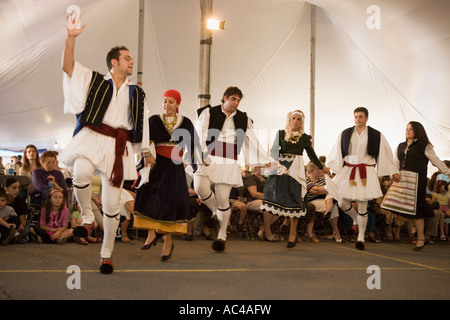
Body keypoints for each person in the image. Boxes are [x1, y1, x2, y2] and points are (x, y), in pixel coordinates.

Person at [59, 18, 150, 274]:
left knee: (111, 207)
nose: (132, 62)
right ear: (114, 62)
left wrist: (146, 153)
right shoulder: (95, 80)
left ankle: (106, 254)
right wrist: (71, 37)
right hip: (92, 135)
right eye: (128, 58)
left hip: (118, 146)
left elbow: (143, 125)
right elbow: (68, 67)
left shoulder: (138, 93)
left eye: (132, 59)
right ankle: (87, 216)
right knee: (80, 172)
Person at [194, 86, 274, 252]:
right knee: (199, 187)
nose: (236, 103)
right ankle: (215, 211)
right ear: (225, 98)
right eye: (233, 99)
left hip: (229, 159)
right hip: (209, 155)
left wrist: (264, 160)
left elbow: (253, 141)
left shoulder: (244, 119)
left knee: (224, 199)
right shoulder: (209, 112)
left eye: (238, 100)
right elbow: (199, 133)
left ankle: (222, 235)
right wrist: (201, 154)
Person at [134, 89, 199, 262]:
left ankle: (168, 242)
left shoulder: (186, 123)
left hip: (175, 167)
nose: (167, 105)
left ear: (178, 104)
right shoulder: (153, 120)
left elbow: (193, 144)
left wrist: (196, 164)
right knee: (147, 194)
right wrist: (147, 155)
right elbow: (145, 138)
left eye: (171, 102)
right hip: (156, 163)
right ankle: (151, 233)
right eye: (165, 101)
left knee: (171, 202)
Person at [327, 107, 400, 250]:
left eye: (361, 116)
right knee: (341, 202)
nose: (358, 119)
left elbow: (385, 154)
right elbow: (336, 151)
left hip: (366, 171)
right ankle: (354, 218)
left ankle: (360, 237)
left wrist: (392, 172)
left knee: (362, 205)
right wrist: (330, 166)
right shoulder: (345, 133)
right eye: (356, 116)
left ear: (366, 118)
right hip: (349, 170)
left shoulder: (376, 135)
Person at [262, 110, 328, 248]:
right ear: (289, 120)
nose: (295, 121)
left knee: (295, 200)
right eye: (293, 118)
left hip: (296, 169)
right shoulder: (281, 133)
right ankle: (265, 231)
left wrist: (321, 167)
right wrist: (278, 163)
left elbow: (312, 154)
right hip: (281, 168)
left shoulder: (304, 137)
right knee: (273, 199)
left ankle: (292, 234)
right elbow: (274, 150)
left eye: (299, 119)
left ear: (302, 122)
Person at [390, 121, 450, 250]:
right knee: (398, 205)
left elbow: (436, 161)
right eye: (406, 129)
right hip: (403, 179)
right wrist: (393, 173)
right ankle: (417, 232)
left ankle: (421, 237)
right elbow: (395, 161)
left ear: (417, 131)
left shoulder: (424, 145)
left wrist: (448, 172)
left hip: (418, 179)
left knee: (416, 208)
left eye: (410, 129)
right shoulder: (400, 146)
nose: (407, 131)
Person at [305, 162, 342, 242]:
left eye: (320, 169)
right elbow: (317, 191)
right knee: (333, 203)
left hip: (325, 199)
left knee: (330, 197)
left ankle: (328, 211)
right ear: (310, 171)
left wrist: (329, 188)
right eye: (317, 169)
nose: (319, 171)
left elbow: (328, 189)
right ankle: (335, 231)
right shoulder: (307, 181)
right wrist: (330, 188)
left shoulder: (323, 179)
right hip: (313, 201)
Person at [245, 165, 280, 241]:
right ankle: (268, 233)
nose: (261, 168)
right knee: (268, 206)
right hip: (252, 201)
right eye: (259, 167)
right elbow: (254, 194)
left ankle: (263, 228)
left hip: (265, 201)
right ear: (255, 168)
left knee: (279, 209)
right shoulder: (251, 178)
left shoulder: (265, 178)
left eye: (262, 167)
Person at [3, 177, 28, 243]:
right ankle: (13, 236)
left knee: (26, 230)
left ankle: (11, 236)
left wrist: (21, 226)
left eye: (18, 188)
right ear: (6, 188)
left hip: (13, 225)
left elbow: (22, 221)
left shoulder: (20, 202)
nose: (17, 190)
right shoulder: (1, 199)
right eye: (14, 188)